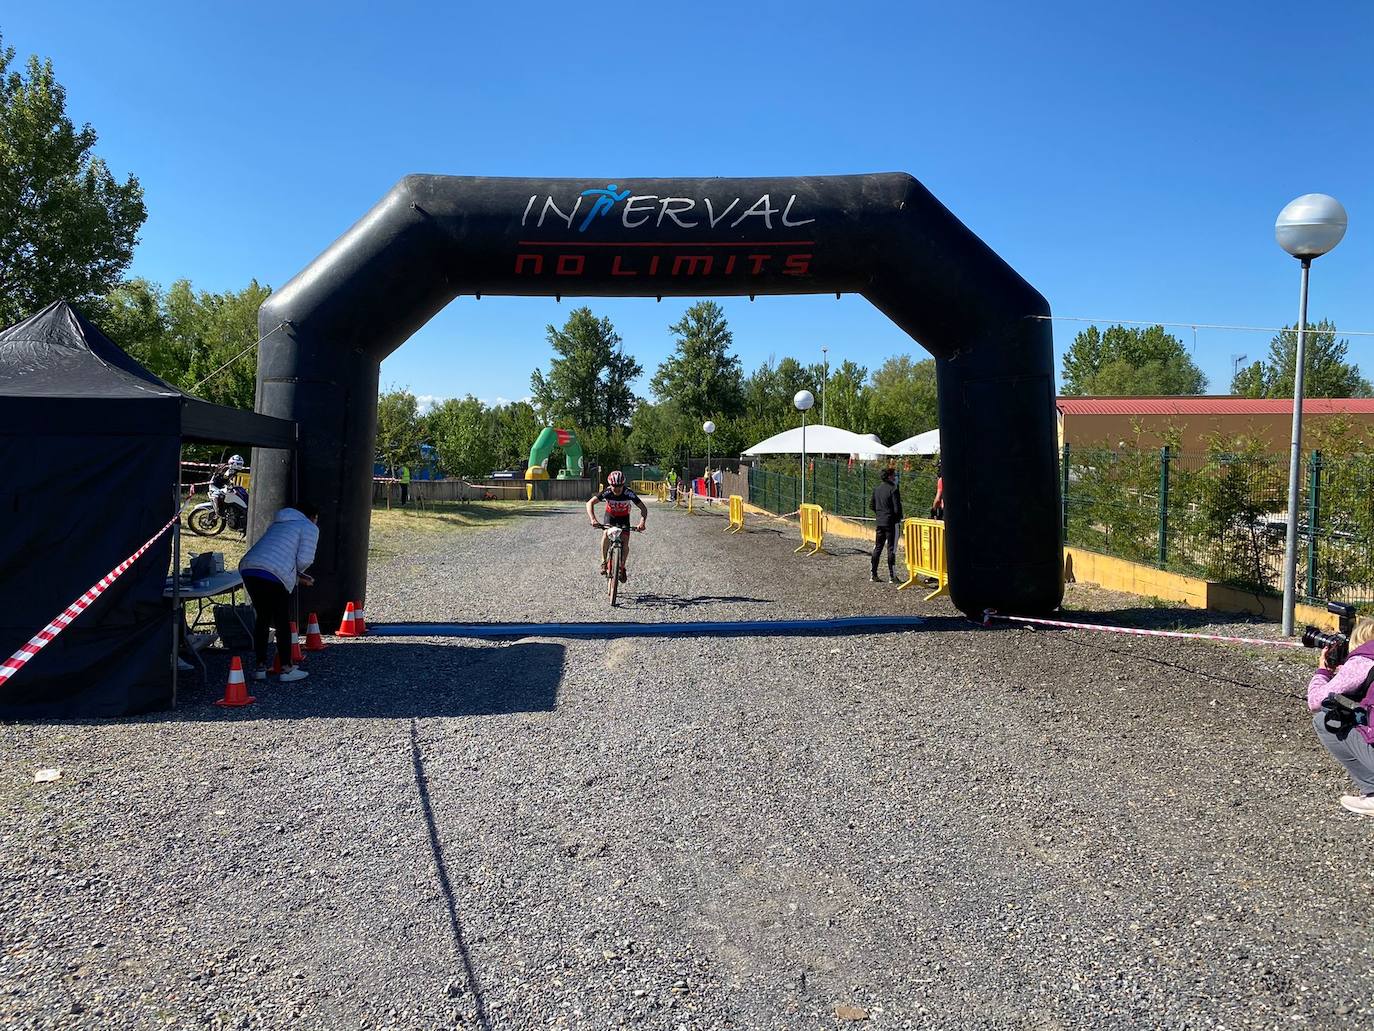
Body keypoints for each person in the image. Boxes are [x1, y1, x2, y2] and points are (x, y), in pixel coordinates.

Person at [238, 502, 320, 683]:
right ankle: (286, 668)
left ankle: (260, 667)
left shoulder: (280, 522)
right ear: (313, 517)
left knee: (263, 617)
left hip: (249, 567)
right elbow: (304, 559)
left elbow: (277, 554)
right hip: (274, 572)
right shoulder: (308, 526)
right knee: (282, 620)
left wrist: (297, 576)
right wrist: (299, 573)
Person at [1308, 617, 1374, 816]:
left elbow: (1316, 701)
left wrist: (1323, 672)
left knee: (1326, 719)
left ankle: (1372, 793)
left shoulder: (1364, 659)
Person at [586, 471, 647, 582]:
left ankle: (622, 567)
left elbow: (643, 508)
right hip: (611, 517)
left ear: (623, 484)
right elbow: (589, 503)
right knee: (605, 534)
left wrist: (642, 522)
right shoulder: (607, 492)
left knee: (625, 541)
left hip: (624, 518)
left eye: (619, 486)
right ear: (610, 485)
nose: (617, 489)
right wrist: (593, 519)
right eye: (614, 486)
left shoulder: (629, 493)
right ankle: (604, 561)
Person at [870, 466, 904, 584]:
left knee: (877, 547)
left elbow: (872, 505)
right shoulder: (893, 489)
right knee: (891, 549)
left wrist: (880, 514)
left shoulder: (877, 489)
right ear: (890, 476)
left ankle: (873, 573)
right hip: (891, 523)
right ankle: (892, 576)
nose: (895, 477)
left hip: (880, 521)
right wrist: (898, 518)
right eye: (894, 475)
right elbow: (896, 508)